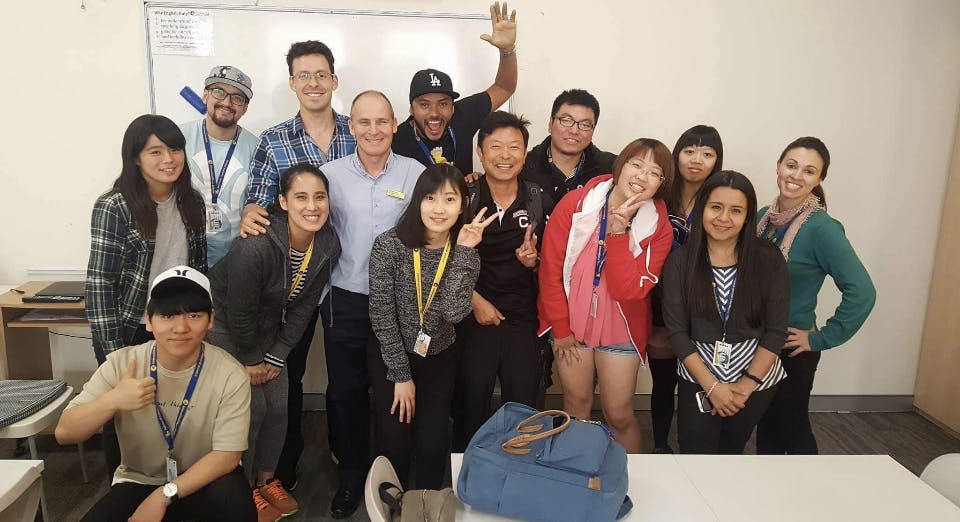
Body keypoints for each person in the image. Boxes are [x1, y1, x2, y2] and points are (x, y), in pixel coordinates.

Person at [238, 40, 356, 493]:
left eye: (321, 74)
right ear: (292, 83)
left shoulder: (357, 132)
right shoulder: (273, 140)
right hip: (295, 280)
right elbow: (258, 203)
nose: (313, 83)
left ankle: (346, 459)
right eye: (303, 75)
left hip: (348, 278)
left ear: (334, 80)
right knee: (287, 374)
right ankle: (281, 469)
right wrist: (250, 212)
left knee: (345, 379)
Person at [58, 267, 254, 522]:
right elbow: (65, 432)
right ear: (149, 321)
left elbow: (227, 456)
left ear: (211, 320)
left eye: (194, 315)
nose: (180, 327)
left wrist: (163, 496)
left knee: (235, 501)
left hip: (207, 479)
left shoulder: (230, 374)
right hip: (139, 481)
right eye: (168, 315)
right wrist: (114, 399)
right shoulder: (122, 364)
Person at [206, 163, 340, 520]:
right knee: (253, 409)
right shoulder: (257, 245)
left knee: (280, 405)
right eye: (301, 197)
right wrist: (251, 360)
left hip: (266, 326)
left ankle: (267, 480)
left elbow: (305, 306)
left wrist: (278, 354)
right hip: (225, 324)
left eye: (320, 197)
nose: (312, 206)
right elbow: (239, 311)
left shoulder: (327, 243)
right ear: (282, 201)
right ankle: (244, 487)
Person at [319, 90, 426, 518]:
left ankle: (392, 478)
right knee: (345, 392)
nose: (373, 130)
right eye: (364, 122)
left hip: (399, 302)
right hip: (344, 299)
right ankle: (351, 476)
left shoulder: (415, 173)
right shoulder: (329, 175)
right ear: (351, 127)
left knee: (391, 393)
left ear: (395, 125)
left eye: (382, 121)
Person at [85, 114, 207, 475]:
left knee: (176, 407)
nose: (168, 159)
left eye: (175, 149)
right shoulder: (115, 206)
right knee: (125, 413)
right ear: (136, 158)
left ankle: (175, 484)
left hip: (178, 324)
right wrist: (113, 353)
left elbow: (198, 269)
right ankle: (124, 483)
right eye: (155, 151)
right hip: (131, 327)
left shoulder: (191, 201)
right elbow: (100, 283)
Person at [537, 138, 674, 453]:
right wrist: (561, 330)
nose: (641, 176)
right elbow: (550, 271)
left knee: (619, 413)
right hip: (571, 325)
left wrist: (617, 233)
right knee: (577, 405)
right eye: (636, 164)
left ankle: (627, 476)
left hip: (621, 329)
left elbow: (630, 289)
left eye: (654, 172)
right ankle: (576, 473)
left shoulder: (659, 227)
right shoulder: (576, 204)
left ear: (661, 184)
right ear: (620, 165)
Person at [369, 164, 491, 489]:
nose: (439, 209)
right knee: (395, 439)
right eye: (430, 198)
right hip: (393, 353)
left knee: (433, 443)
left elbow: (454, 312)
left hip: (439, 355)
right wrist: (401, 376)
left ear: (463, 205)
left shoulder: (465, 254)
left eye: (449, 200)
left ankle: (424, 503)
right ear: (418, 201)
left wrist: (464, 253)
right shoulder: (389, 246)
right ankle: (391, 501)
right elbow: (381, 315)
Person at [756, 137, 876, 455]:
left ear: (819, 179)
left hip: (792, 349)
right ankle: (770, 484)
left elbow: (862, 291)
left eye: (809, 171)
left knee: (793, 429)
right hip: (758, 343)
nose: (796, 175)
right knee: (767, 428)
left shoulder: (822, 228)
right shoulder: (763, 219)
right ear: (778, 167)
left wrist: (820, 339)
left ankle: (809, 485)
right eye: (791, 165)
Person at [662, 171, 790, 454]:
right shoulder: (680, 262)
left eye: (736, 210)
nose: (723, 218)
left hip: (756, 378)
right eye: (716, 207)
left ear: (747, 217)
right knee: (695, 453)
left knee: (732, 453)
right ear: (702, 209)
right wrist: (712, 386)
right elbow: (677, 333)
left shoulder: (768, 258)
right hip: (699, 375)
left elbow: (776, 330)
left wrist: (747, 385)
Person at [450, 111, 554, 452]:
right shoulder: (462, 197)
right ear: (480, 153)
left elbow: (556, 265)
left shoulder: (538, 198)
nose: (505, 155)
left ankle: (519, 471)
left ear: (525, 154)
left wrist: (534, 262)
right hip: (471, 317)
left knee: (523, 407)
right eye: (495, 147)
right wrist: (475, 301)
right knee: (470, 403)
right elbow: (440, 256)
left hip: (522, 318)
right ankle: (467, 469)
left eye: (514, 147)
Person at [647, 124, 724, 453]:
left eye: (707, 154)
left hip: (705, 303)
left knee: (698, 380)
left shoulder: (720, 199)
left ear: (717, 161)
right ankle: (661, 445)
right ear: (676, 155)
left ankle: (699, 449)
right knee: (663, 381)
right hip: (660, 301)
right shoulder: (659, 195)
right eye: (689, 151)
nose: (696, 159)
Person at [392, 1, 518, 172]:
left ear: (452, 108)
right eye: (424, 105)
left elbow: (504, 88)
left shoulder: (463, 116)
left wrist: (507, 50)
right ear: (411, 110)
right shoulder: (396, 140)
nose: (434, 113)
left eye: (443, 103)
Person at [179, 65, 259, 266]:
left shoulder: (257, 148)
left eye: (237, 98)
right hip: (183, 256)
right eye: (219, 92)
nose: (227, 102)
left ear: (244, 108)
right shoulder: (178, 139)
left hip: (236, 260)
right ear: (205, 96)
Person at [520, 88, 616, 204]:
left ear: (593, 130)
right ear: (550, 124)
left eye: (585, 124)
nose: (574, 131)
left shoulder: (611, 168)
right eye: (566, 120)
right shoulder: (523, 166)